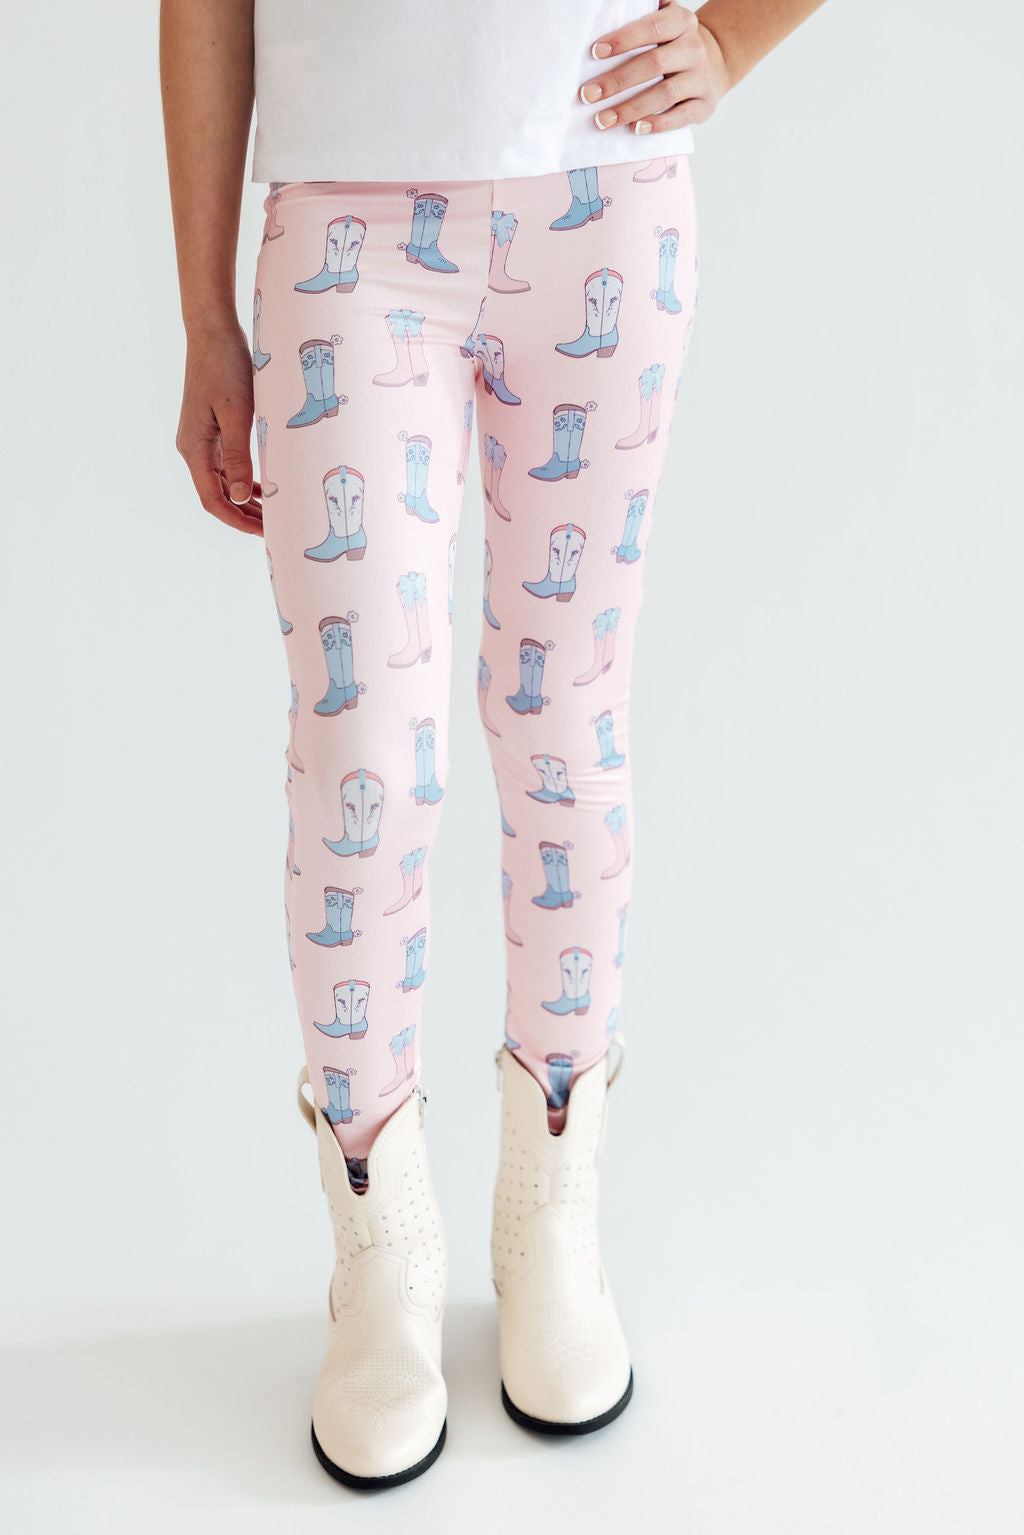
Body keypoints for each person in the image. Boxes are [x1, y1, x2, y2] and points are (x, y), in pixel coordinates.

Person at [160, 0, 827, 1492]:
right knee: (364, 756)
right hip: (346, 228)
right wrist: (205, 312)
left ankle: (552, 1218)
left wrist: (733, 40)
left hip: (603, 196)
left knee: (564, 722)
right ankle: (380, 1251)